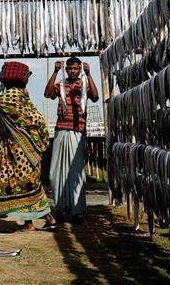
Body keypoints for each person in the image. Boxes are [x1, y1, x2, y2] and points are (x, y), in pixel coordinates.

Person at [0, 61, 57, 231]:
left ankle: (39, 220)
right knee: (29, 183)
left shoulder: (11, 96)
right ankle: (37, 221)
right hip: (26, 147)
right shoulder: (20, 94)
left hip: (20, 149)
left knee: (26, 183)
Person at [44, 56, 99, 223]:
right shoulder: (61, 84)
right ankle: (60, 208)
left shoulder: (84, 85)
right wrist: (55, 71)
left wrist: (89, 75)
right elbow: (47, 94)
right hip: (61, 130)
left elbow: (95, 97)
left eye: (76, 68)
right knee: (56, 173)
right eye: (70, 69)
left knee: (75, 173)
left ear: (80, 69)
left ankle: (76, 211)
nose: (73, 71)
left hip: (78, 131)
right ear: (66, 69)